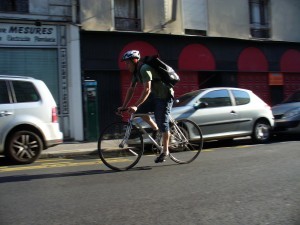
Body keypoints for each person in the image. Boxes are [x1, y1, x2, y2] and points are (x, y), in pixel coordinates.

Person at [118, 50, 174, 163]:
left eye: (127, 63)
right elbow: (131, 90)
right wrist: (123, 106)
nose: (126, 65)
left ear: (134, 61)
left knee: (162, 122)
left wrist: (135, 105)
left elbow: (147, 89)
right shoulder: (136, 73)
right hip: (155, 96)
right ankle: (155, 129)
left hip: (165, 95)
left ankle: (165, 151)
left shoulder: (144, 69)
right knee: (140, 112)